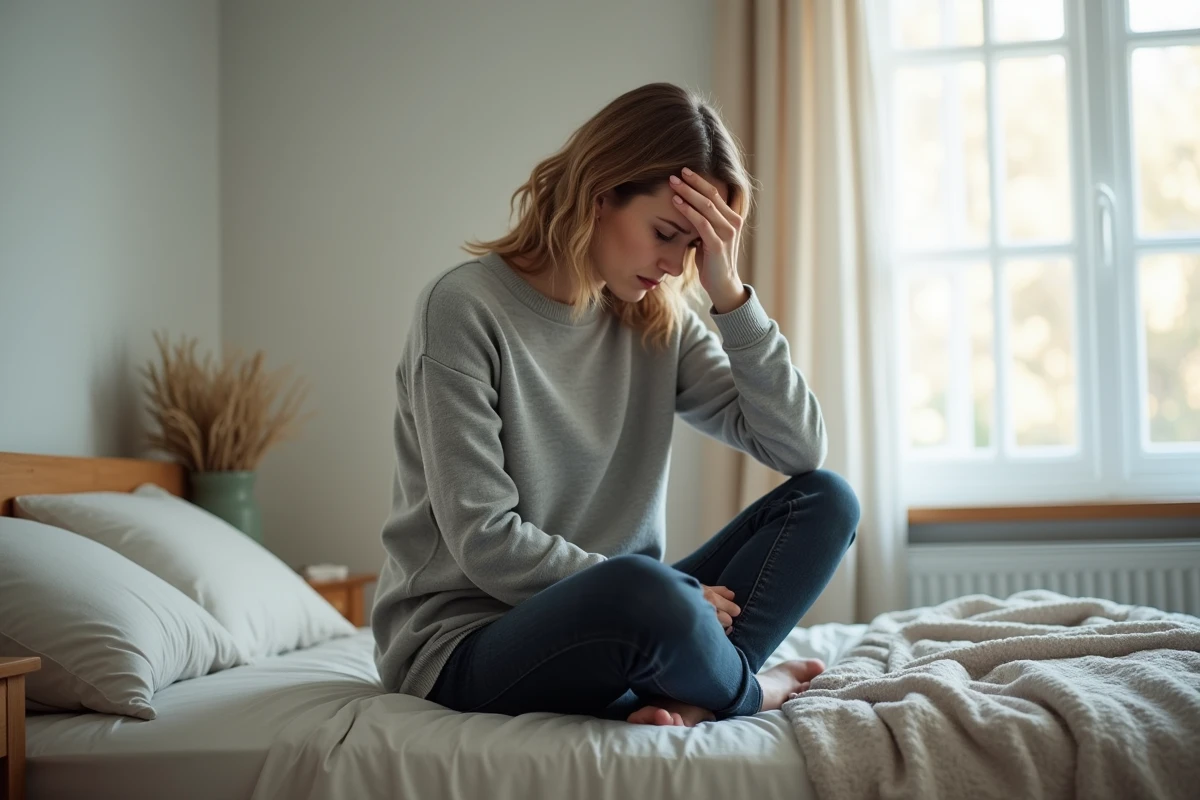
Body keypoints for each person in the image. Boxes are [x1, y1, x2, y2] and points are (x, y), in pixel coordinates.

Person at [371, 82, 860, 727]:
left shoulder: (660, 319)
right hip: (466, 648)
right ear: (601, 194)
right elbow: (484, 542)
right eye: (665, 232)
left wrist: (730, 296)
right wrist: (671, 597)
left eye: (694, 246)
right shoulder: (463, 309)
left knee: (826, 500)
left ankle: (683, 690)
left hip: (622, 616)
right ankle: (745, 691)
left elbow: (797, 448)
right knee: (644, 590)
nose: (673, 263)